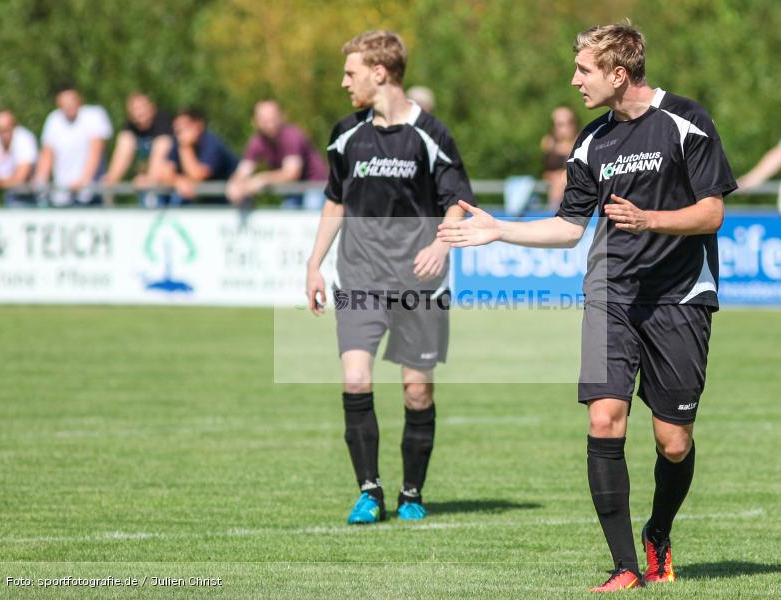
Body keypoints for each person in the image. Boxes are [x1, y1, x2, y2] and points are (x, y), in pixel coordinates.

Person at [438, 23, 736, 592]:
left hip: (679, 297)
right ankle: (626, 566)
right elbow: (569, 227)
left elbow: (711, 213)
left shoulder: (685, 120)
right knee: (605, 418)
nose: (574, 80)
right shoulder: (590, 143)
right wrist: (500, 230)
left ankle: (658, 532)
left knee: (673, 441)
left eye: (584, 70)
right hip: (610, 294)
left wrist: (649, 220)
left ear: (618, 73)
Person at [306, 30, 473, 525]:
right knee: (355, 379)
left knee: (416, 390)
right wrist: (314, 263)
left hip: (418, 287)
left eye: (350, 73)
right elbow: (334, 200)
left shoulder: (432, 134)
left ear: (380, 74)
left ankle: (412, 492)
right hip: (358, 277)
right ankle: (369, 491)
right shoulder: (344, 134)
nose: (344, 82)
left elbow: (457, 205)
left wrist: (442, 244)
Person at [226, 100, 327, 208]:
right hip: (294, 189)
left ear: (281, 117)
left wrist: (262, 179)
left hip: (316, 185)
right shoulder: (257, 141)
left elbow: (291, 174)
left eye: (273, 119)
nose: (270, 125)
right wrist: (235, 184)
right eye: (265, 121)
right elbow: (244, 170)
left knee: (311, 218)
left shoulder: (291, 136)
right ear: (255, 121)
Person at [34, 85, 112, 206]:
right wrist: (40, 183)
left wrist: (84, 181)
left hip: (91, 195)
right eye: (65, 103)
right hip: (62, 195)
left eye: (72, 101)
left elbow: (96, 150)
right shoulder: (53, 120)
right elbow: (47, 154)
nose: (69, 106)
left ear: (79, 99)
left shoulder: (94, 115)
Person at [160, 108, 238, 205]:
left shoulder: (212, 144)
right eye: (177, 129)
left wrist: (185, 147)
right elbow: (163, 174)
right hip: (204, 203)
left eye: (184, 127)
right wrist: (178, 181)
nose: (180, 132)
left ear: (198, 125)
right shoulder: (178, 143)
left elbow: (197, 176)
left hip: (228, 204)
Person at [103, 92, 173, 190]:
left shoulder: (163, 121)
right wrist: (111, 179)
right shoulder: (130, 128)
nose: (140, 112)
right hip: (147, 181)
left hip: (168, 179)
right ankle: (110, 183)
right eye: (135, 109)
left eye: (142, 107)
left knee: (162, 143)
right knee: (125, 139)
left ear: (152, 107)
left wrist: (150, 179)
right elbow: (123, 151)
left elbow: (161, 152)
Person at [0, 110, 38, 205]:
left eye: (5, 129)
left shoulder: (24, 140)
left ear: (14, 127)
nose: (2, 134)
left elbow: (20, 178)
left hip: (28, 198)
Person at [541, 106, 579, 209]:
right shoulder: (549, 143)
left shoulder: (580, 142)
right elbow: (545, 170)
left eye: (562, 124)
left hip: (572, 184)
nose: (560, 128)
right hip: (554, 185)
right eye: (558, 124)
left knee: (561, 181)